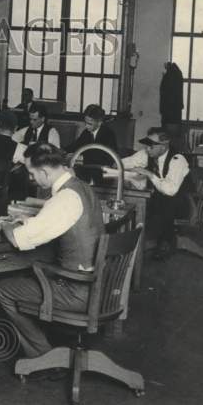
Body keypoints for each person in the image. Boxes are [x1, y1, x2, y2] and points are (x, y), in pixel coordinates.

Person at [0, 143, 105, 362]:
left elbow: (18, 239)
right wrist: (30, 221)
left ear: (44, 171)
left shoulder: (64, 199)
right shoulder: (82, 188)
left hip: (77, 293)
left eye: (32, 173)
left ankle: (43, 355)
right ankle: (47, 350)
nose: (32, 179)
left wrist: (5, 224)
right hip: (100, 286)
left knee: (3, 289)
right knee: (30, 275)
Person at [114, 128, 190, 260]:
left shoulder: (177, 159)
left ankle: (163, 242)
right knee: (136, 200)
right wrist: (115, 163)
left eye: (151, 146)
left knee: (164, 201)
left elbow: (170, 190)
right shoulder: (147, 154)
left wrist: (149, 174)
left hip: (181, 203)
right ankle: (132, 241)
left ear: (164, 145)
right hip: (158, 201)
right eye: (146, 145)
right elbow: (127, 162)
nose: (147, 149)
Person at [64, 104, 117, 168]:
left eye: (89, 124)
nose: (86, 126)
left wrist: (83, 158)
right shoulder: (86, 132)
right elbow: (76, 145)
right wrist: (63, 151)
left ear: (99, 122)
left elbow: (107, 158)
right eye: (85, 123)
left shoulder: (108, 134)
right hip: (88, 167)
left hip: (101, 170)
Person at [160, 62, 184, 150]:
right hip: (174, 113)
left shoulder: (169, 76)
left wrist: (164, 77)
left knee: (170, 138)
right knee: (173, 138)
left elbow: (165, 93)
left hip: (169, 113)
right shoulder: (177, 75)